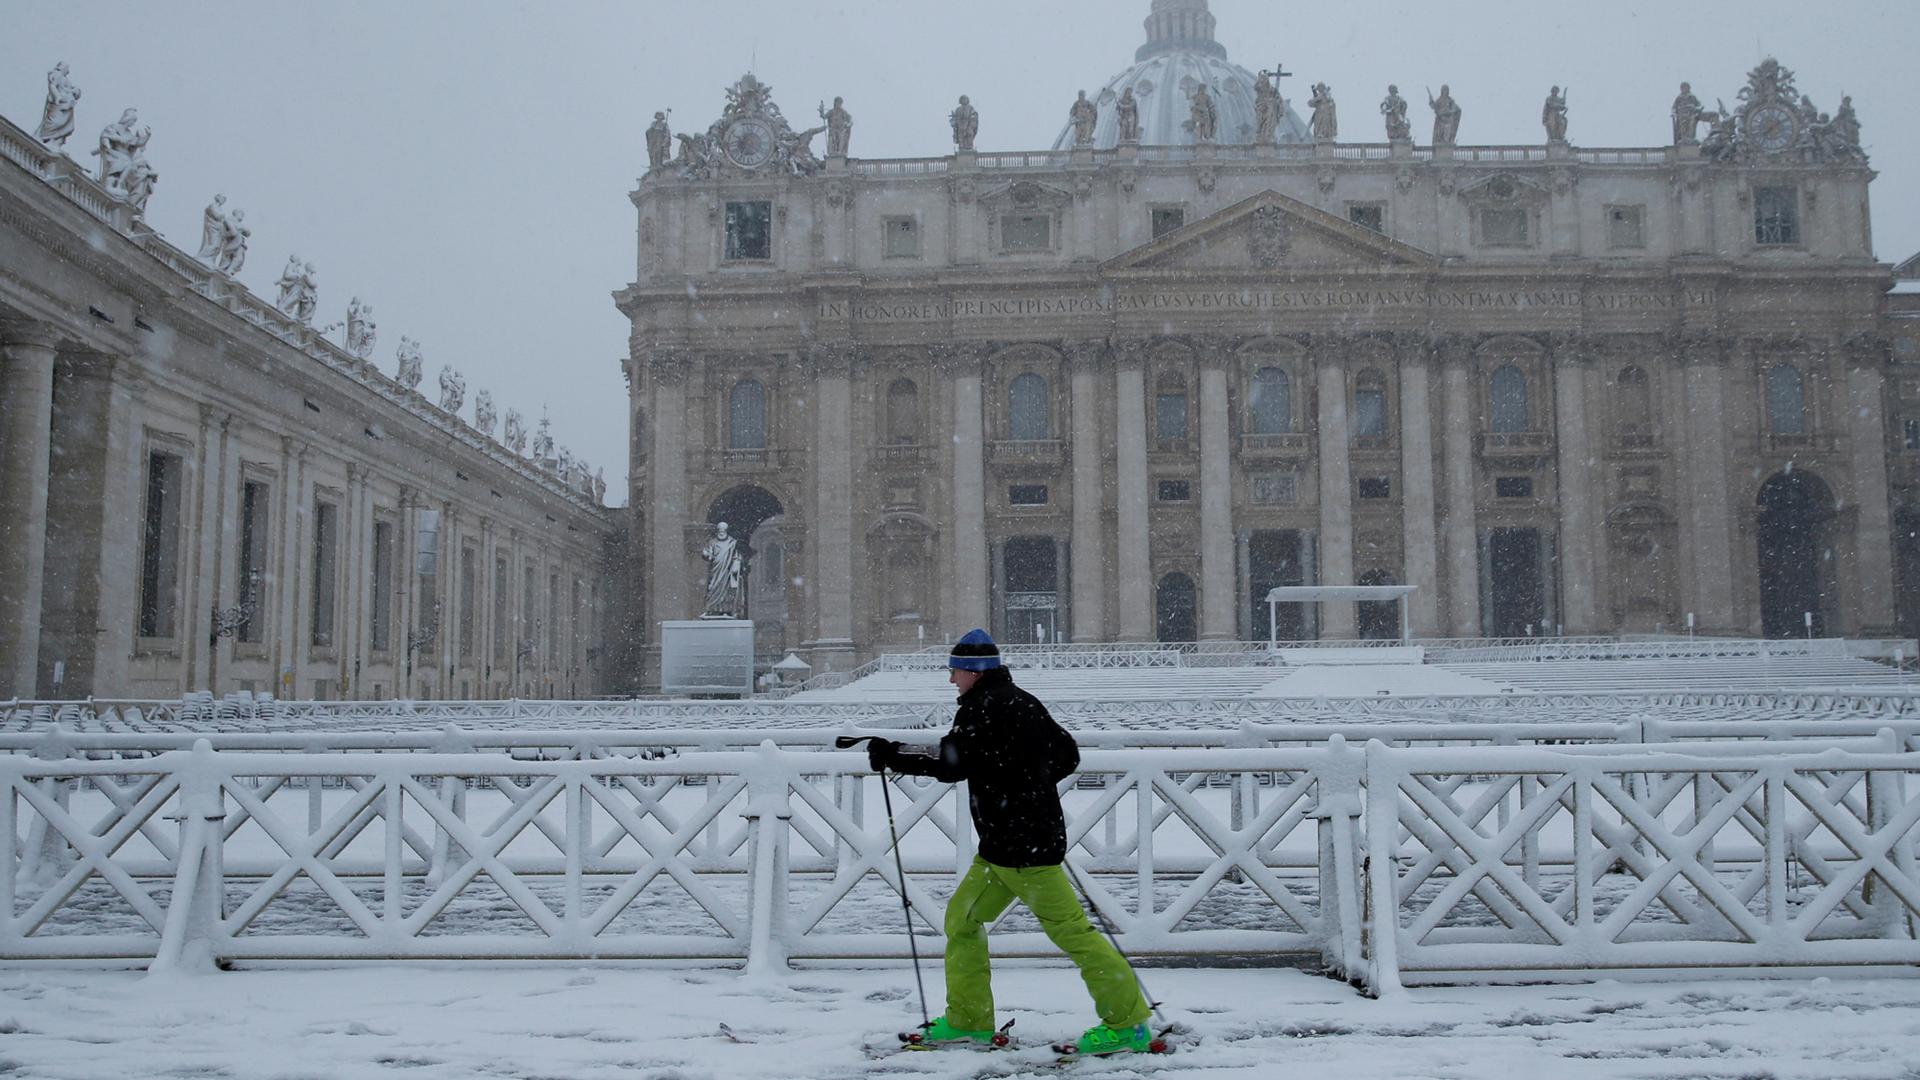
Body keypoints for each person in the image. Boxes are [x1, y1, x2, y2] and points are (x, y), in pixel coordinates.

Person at [864, 629, 1155, 1057]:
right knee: (962, 920)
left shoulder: (983, 707)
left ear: (972, 672)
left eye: (954, 672)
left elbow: (952, 764)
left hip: (1023, 850)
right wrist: (1028, 788)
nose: (951, 681)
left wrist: (893, 756)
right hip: (1008, 845)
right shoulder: (1021, 701)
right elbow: (1066, 754)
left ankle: (1128, 1023)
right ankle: (969, 1021)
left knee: (1073, 933)